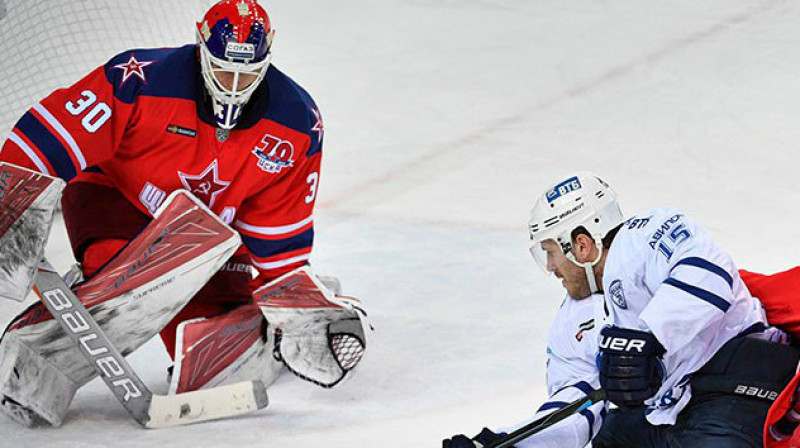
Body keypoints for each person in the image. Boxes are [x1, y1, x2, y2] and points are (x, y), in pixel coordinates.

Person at [0, 0, 366, 427]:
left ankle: (278, 327)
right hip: (114, 198)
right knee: (123, 274)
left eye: (246, 74)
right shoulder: (140, 79)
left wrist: (291, 302)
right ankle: (38, 356)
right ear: (200, 47)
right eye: (223, 70)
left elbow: (275, 228)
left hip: (205, 238)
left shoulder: (296, 123)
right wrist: (11, 200)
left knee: (217, 358)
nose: (233, 85)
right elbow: (51, 136)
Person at [443, 172, 798, 447]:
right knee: (611, 434)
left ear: (581, 245)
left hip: (736, 390)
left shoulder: (649, 234)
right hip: (669, 416)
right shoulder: (572, 321)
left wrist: (649, 339)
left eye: (550, 251)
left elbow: (708, 276)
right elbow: (576, 409)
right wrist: (507, 440)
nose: (550, 266)